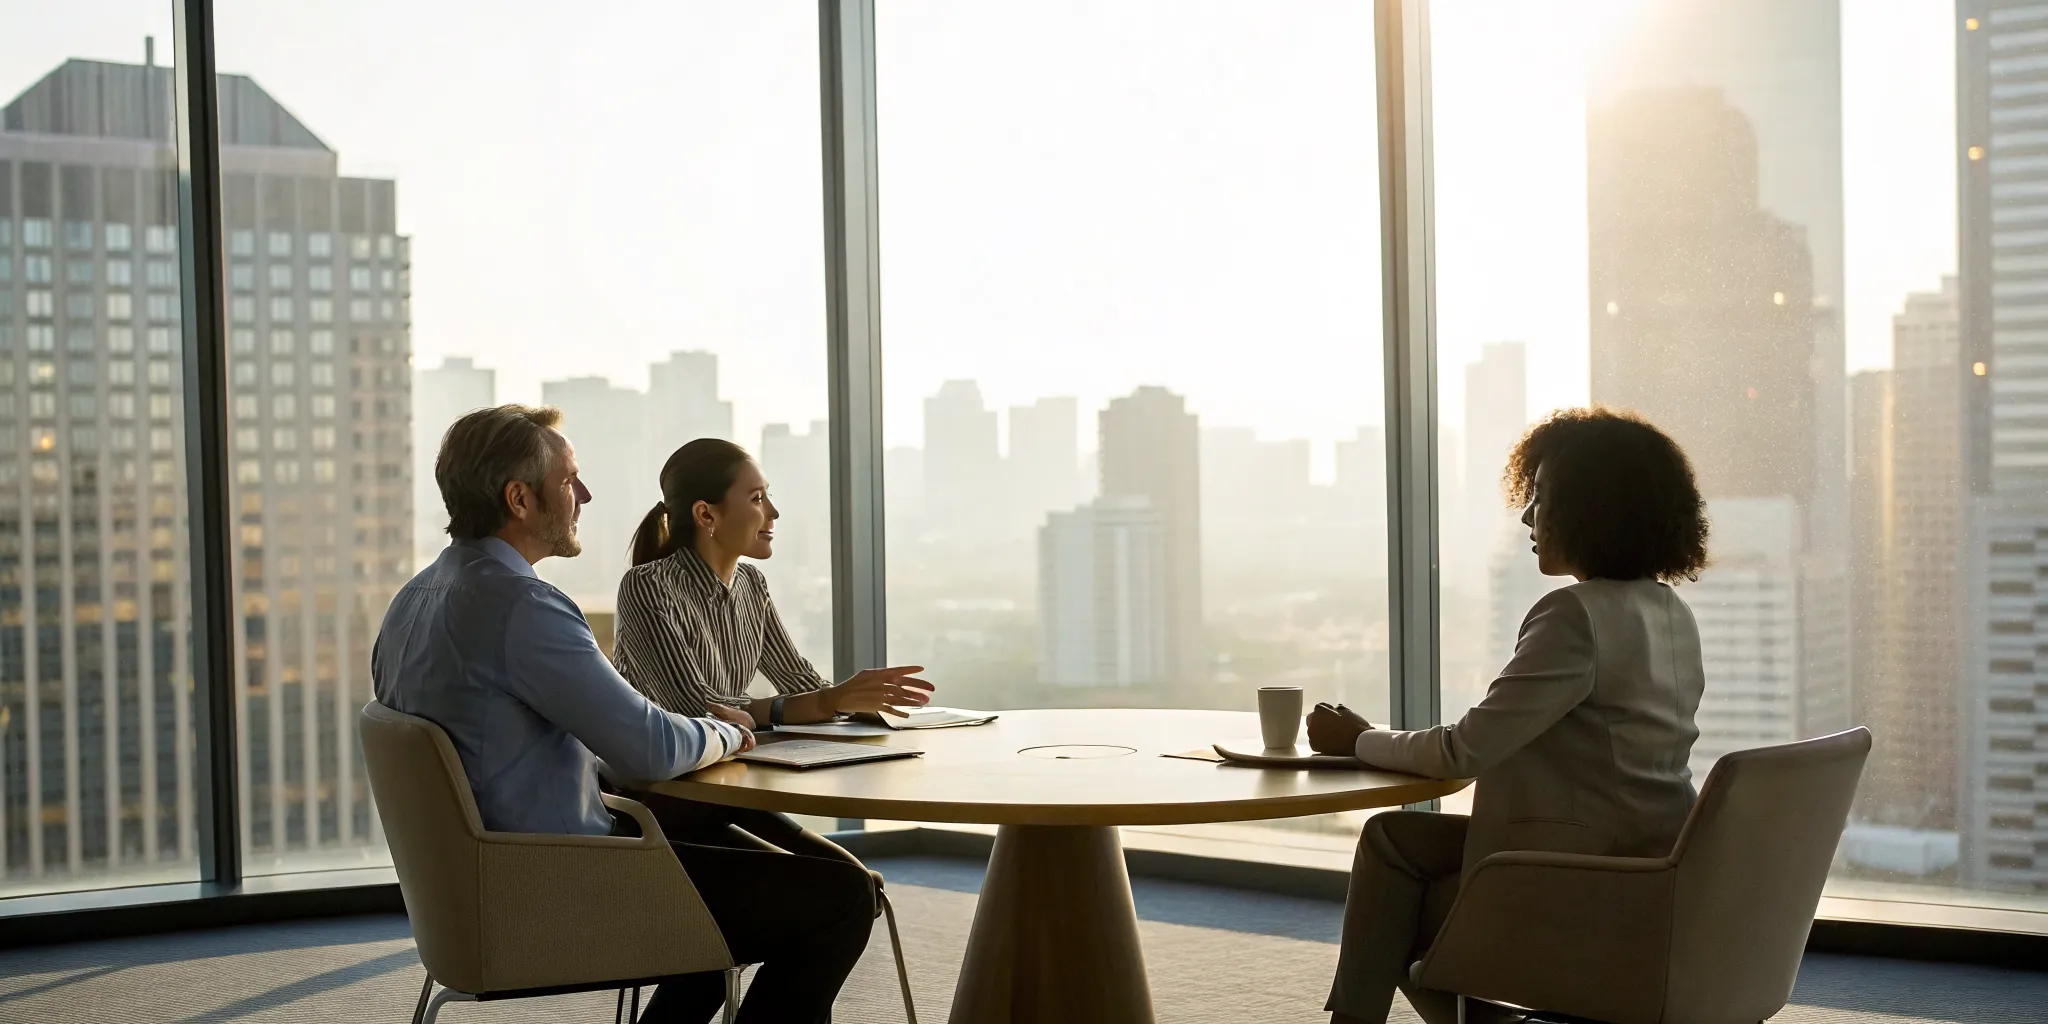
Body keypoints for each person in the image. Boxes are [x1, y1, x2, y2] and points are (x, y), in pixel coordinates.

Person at [374, 405, 874, 1024]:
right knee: (842, 898)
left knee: (725, 855)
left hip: (478, 889)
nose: (584, 494)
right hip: (563, 888)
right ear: (519, 499)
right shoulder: (521, 609)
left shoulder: (413, 600)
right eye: (568, 480)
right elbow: (649, 749)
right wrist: (729, 728)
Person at [1307, 407, 1710, 1024]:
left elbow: (1462, 752)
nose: (1527, 516)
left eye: (1542, 498)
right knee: (1393, 842)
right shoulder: (1669, 612)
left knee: (1398, 903)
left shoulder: (1576, 616)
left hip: (1583, 876)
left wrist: (1360, 739)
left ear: (1591, 509)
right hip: (1649, 856)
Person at [612, 437, 934, 856]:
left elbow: (801, 683)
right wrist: (821, 702)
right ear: (706, 514)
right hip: (662, 800)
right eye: (757, 498)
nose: (774, 512)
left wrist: (854, 702)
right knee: (835, 886)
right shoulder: (647, 587)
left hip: (727, 781)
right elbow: (698, 710)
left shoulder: (751, 585)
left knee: (851, 876)